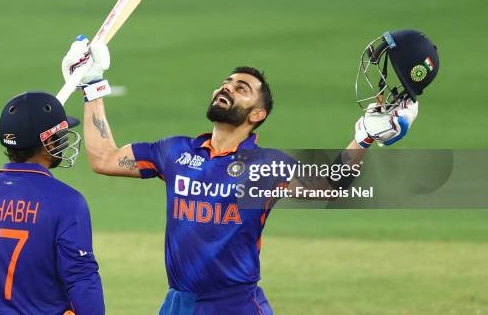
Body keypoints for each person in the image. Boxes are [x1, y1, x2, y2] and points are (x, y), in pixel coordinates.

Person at [61, 29, 438, 314]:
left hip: (234, 305)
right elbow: (104, 158)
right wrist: (92, 86)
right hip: (179, 304)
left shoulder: (265, 166)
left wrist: (364, 139)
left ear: (257, 115)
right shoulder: (175, 152)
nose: (226, 89)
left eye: (241, 88)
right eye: (225, 83)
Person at [0, 91, 105, 315]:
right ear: (49, 142)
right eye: (62, 134)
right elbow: (82, 279)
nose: (66, 139)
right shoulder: (66, 202)